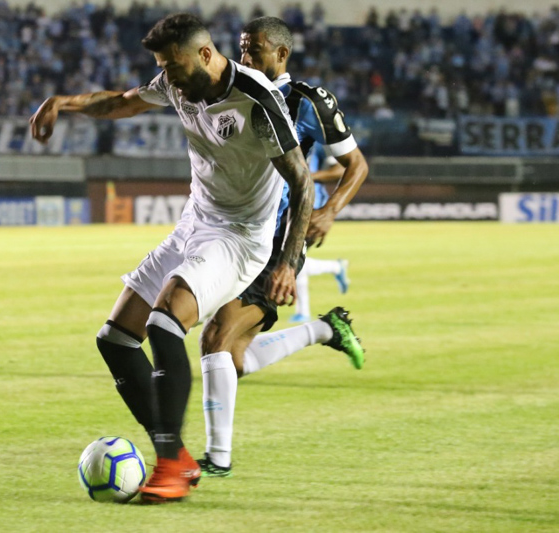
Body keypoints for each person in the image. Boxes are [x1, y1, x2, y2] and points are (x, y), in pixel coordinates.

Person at [30, 13, 314, 503]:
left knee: (165, 323)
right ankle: (178, 455)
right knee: (116, 339)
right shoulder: (177, 80)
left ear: (205, 54)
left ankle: (168, 467)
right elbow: (121, 102)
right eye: (163, 67)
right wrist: (63, 103)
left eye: (174, 66)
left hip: (242, 237)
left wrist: (288, 261)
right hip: (194, 224)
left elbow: (302, 183)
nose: (169, 78)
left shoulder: (256, 100)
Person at [196, 16, 369, 477]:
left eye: (254, 50)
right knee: (233, 357)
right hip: (235, 234)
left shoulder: (308, 102)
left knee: (215, 339)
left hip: (276, 243)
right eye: (241, 48)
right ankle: (325, 329)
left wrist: (329, 211)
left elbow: (356, 165)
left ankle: (217, 460)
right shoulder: (234, 93)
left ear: (281, 55)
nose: (245, 57)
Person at [291, 145, 351, 323]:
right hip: (290, 203)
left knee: (294, 257)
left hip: (313, 203)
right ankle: (335, 267)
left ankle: (303, 311)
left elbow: (340, 169)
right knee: (292, 257)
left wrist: (309, 177)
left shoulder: (317, 139)